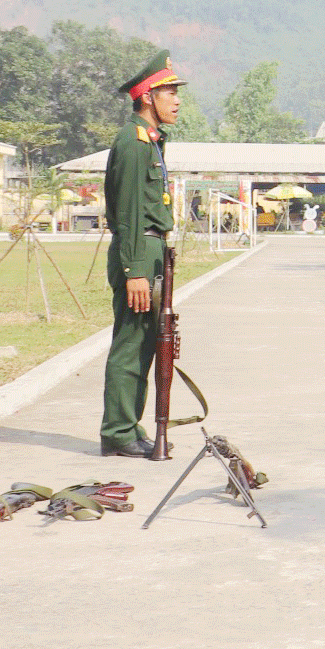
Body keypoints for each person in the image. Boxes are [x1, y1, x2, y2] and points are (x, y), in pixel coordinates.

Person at [100, 52, 186, 458]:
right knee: (131, 344)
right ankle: (118, 432)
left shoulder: (150, 141)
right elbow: (131, 210)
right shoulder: (134, 144)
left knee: (149, 342)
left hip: (151, 250)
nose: (177, 99)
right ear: (148, 96)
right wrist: (135, 270)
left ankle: (128, 428)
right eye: (170, 91)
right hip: (139, 253)